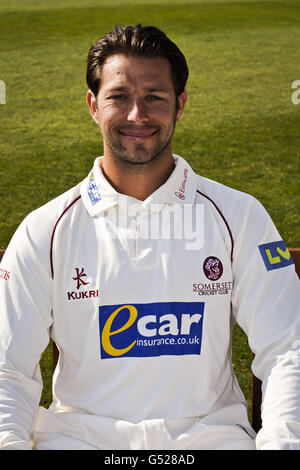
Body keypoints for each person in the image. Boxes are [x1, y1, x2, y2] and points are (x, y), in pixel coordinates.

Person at [0, 24, 299, 451]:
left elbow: (289, 347)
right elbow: (6, 368)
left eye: (154, 98)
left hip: (208, 439)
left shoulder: (240, 216)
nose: (137, 115)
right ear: (92, 105)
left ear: (180, 104)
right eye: (119, 97)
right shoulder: (45, 229)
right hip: (82, 440)